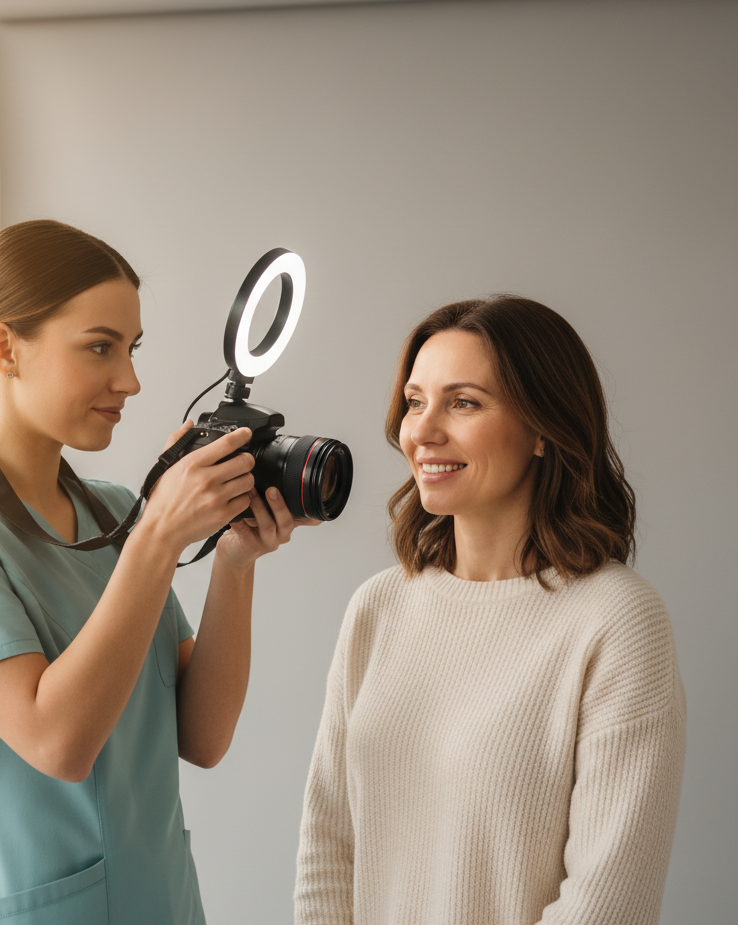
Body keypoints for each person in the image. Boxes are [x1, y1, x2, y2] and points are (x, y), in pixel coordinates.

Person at [0, 220, 315, 925]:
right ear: (4, 348)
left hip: (162, 899)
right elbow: (59, 741)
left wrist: (235, 560)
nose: (131, 380)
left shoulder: (115, 511)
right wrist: (160, 535)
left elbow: (201, 737)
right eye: (100, 348)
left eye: (132, 348)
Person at [294, 296, 685, 925]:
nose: (420, 431)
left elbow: (608, 902)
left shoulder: (616, 620)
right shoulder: (379, 607)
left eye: (464, 402)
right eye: (415, 401)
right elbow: (328, 847)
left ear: (541, 429)